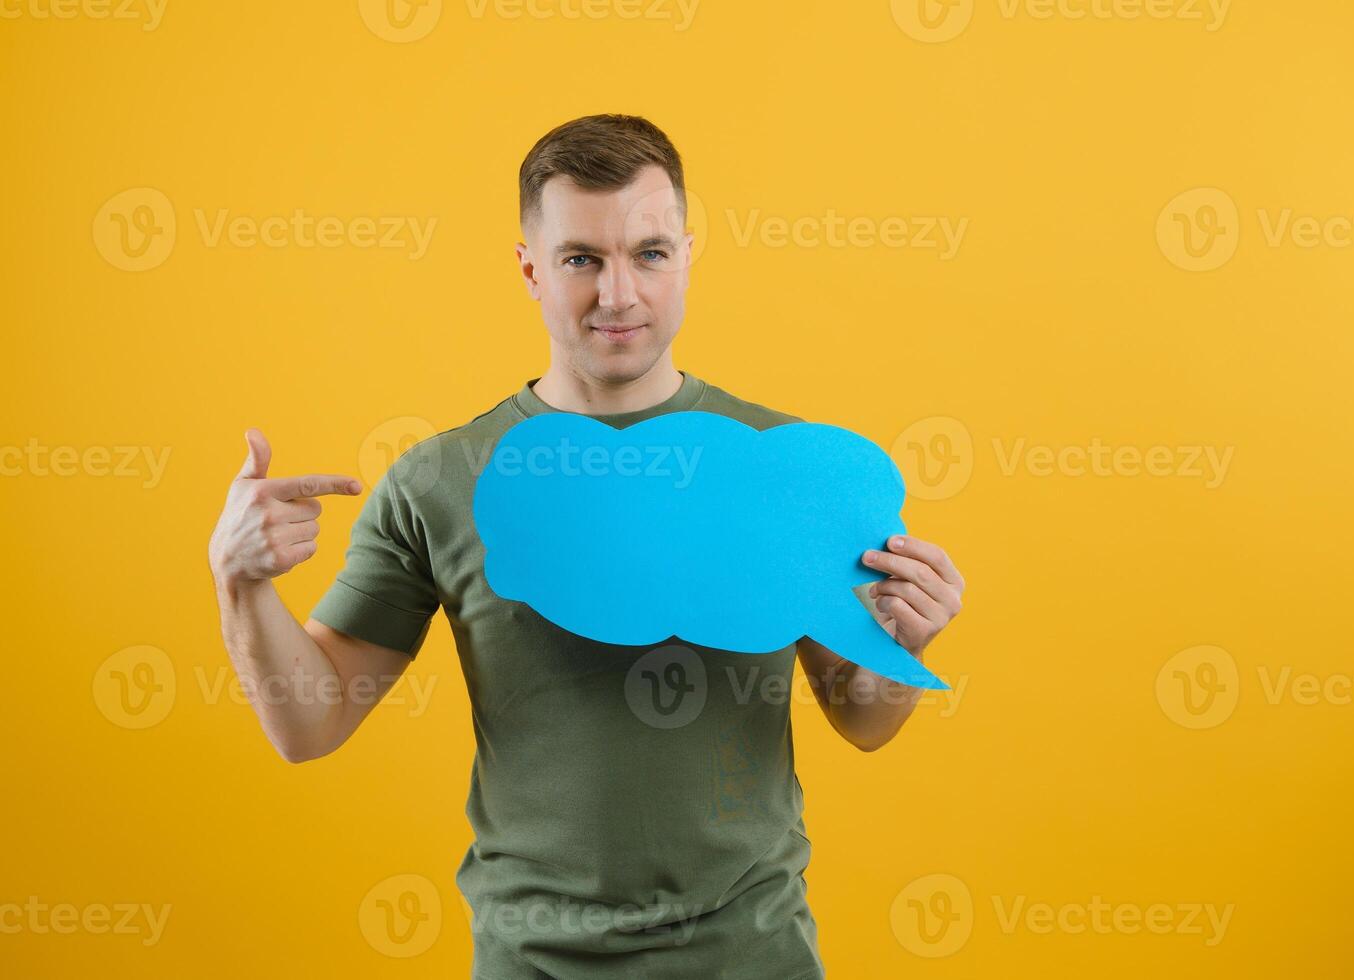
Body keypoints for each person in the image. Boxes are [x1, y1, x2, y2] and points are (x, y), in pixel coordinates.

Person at [206, 113, 965, 980]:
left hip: (753, 955)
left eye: (648, 253)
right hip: (532, 960)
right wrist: (240, 585)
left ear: (686, 255)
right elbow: (311, 721)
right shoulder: (437, 481)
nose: (618, 295)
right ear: (529, 268)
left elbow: (861, 716)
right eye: (581, 260)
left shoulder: (791, 467)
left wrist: (903, 645)